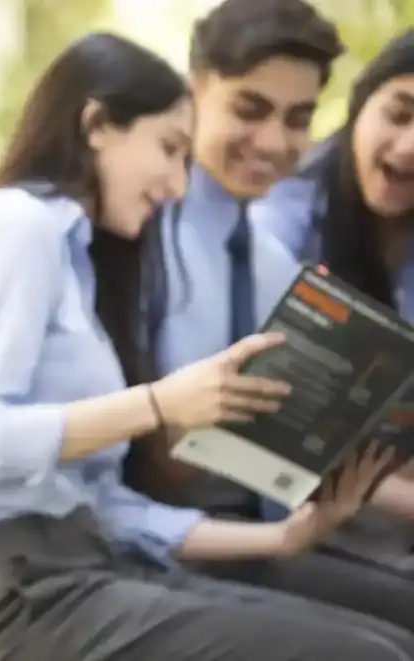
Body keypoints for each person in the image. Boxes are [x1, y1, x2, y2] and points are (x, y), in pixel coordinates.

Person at [0, 31, 410, 661]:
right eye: (169, 150)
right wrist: (160, 404)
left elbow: (106, 508)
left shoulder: (78, 265)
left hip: (83, 564)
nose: (175, 185)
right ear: (97, 126)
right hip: (3, 593)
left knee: (381, 644)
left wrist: (286, 537)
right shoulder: (16, 227)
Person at [126, 0, 414, 624]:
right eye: (250, 110)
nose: (274, 143)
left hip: (265, 531)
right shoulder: (143, 230)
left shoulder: (272, 263)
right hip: (155, 545)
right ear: (194, 91)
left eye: (297, 119)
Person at [253, 29, 414, 574]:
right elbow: (273, 431)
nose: (410, 146)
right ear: (359, 104)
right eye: (399, 113)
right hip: (283, 515)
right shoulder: (280, 222)